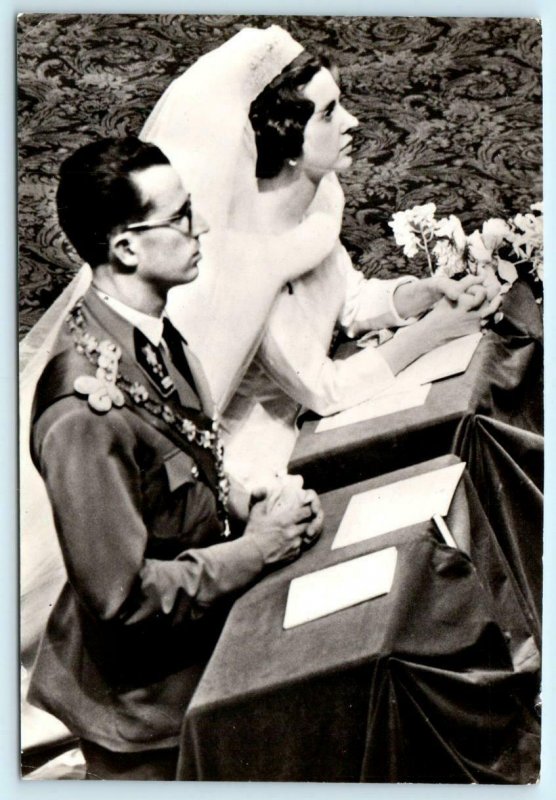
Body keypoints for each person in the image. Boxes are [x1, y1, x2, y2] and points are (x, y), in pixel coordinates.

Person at [27, 136, 323, 780]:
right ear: (126, 247)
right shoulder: (83, 413)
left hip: (192, 640)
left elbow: (184, 462)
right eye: (182, 217)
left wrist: (246, 502)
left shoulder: (148, 335)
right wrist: (260, 548)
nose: (204, 227)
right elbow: (122, 598)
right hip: (146, 709)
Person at [143, 29, 497, 491]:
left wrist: (428, 292)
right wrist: (434, 331)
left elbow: (349, 300)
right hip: (264, 459)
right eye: (329, 114)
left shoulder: (315, 199)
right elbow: (324, 389)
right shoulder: (249, 256)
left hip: (320, 412)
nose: (352, 122)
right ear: (288, 143)